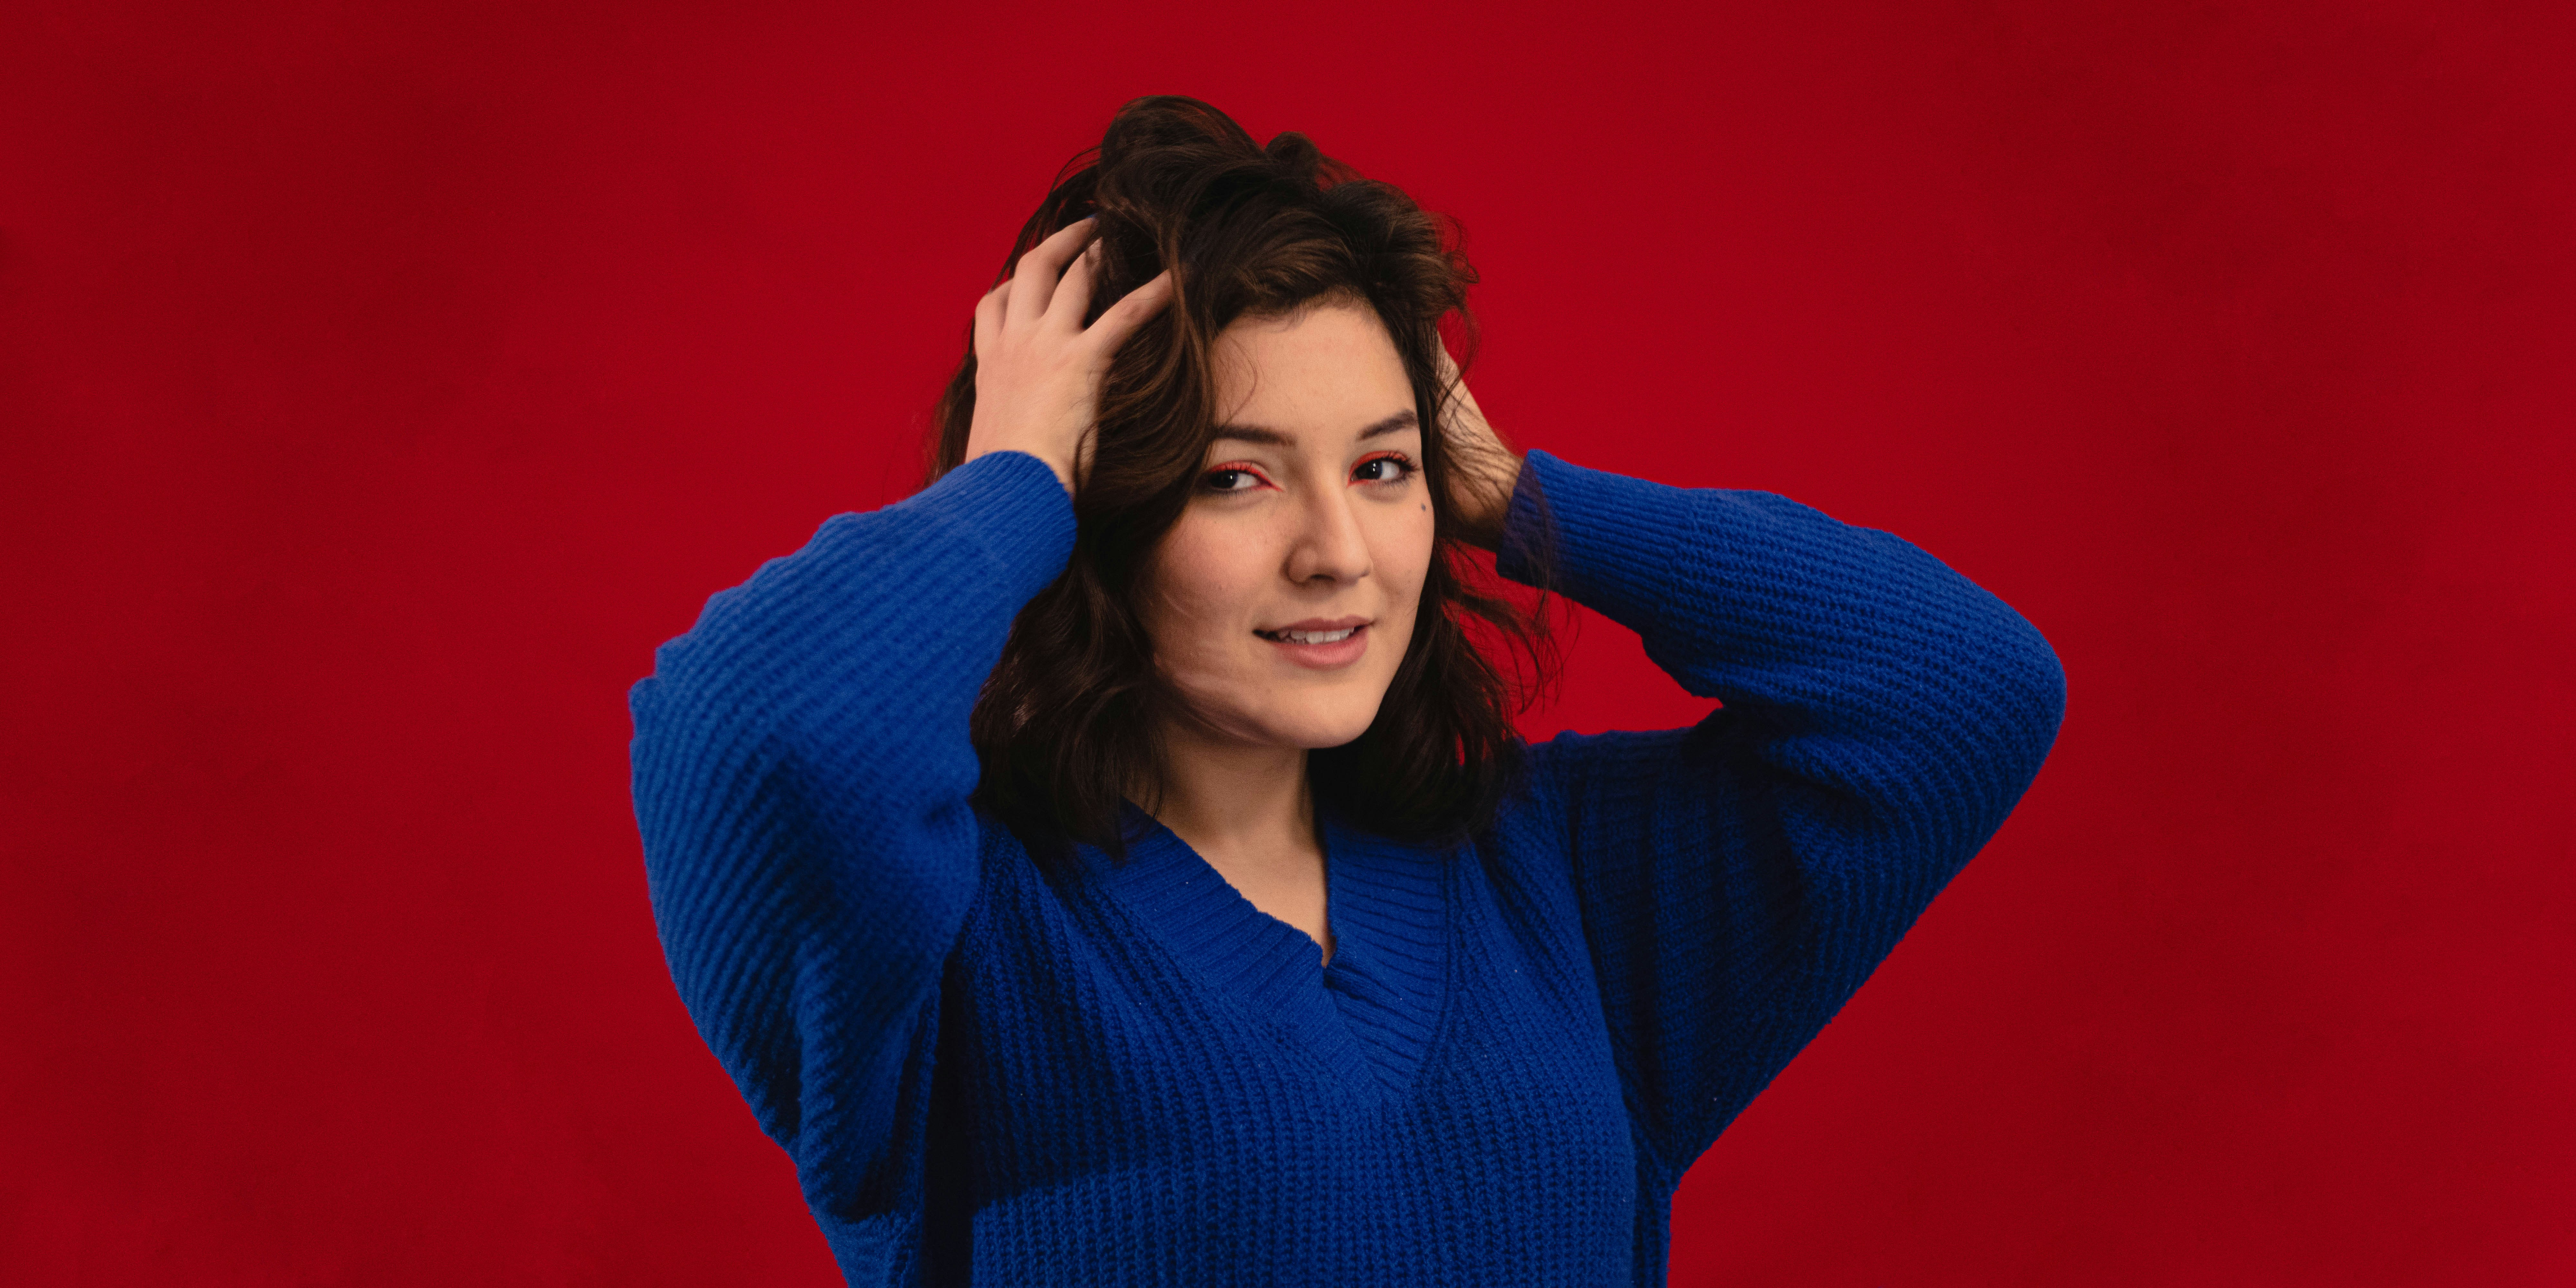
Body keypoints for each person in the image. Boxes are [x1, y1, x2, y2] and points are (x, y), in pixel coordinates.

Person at [628, 95, 2067, 1287]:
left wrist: (1513, 495)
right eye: (1234, 477)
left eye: (1381, 469)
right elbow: (765, 735)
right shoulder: (948, 943)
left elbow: (1958, 694)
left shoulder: (1557, 885)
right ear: (1102, 515)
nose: (1338, 555)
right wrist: (1013, 481)